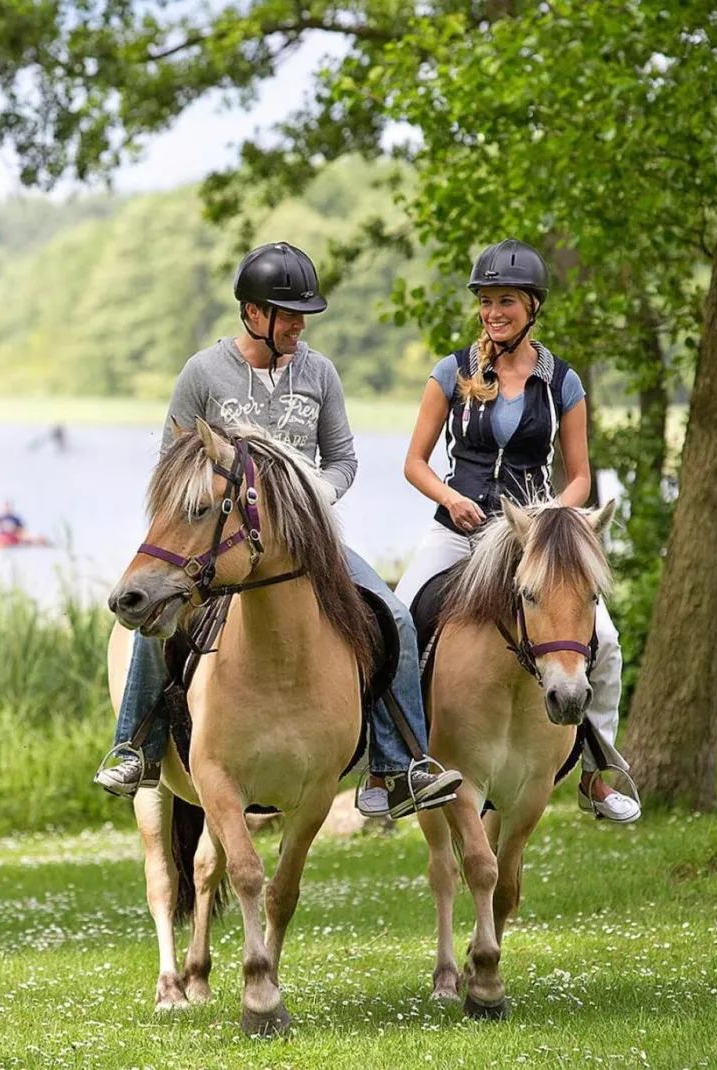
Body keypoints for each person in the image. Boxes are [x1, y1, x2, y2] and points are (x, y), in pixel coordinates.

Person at [94, 242, 463, 819]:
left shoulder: (319, 373)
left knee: (392, 616)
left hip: (307, 543)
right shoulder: (203, 372)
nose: (298, 326)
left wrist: (309, 502)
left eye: (302, 316)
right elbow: (173, 463)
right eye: (288, 314)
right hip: (224, 541)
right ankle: (136, 747)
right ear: (253, 314)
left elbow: (343, 459)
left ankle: (399, 766)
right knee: (156, 613)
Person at [394, 238, 641, 823]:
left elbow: (580, 477)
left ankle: (597, 771)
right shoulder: (452, 371)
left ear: (532, 307)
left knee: (604, 641)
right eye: (485, 301)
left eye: (506, 301)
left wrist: (551, 520)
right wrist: (451, 498)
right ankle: (396, 763)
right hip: (459, 529)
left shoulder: (564, 383)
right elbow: (414, 463)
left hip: (533, 537)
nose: (492, 312)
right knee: (397, 624)